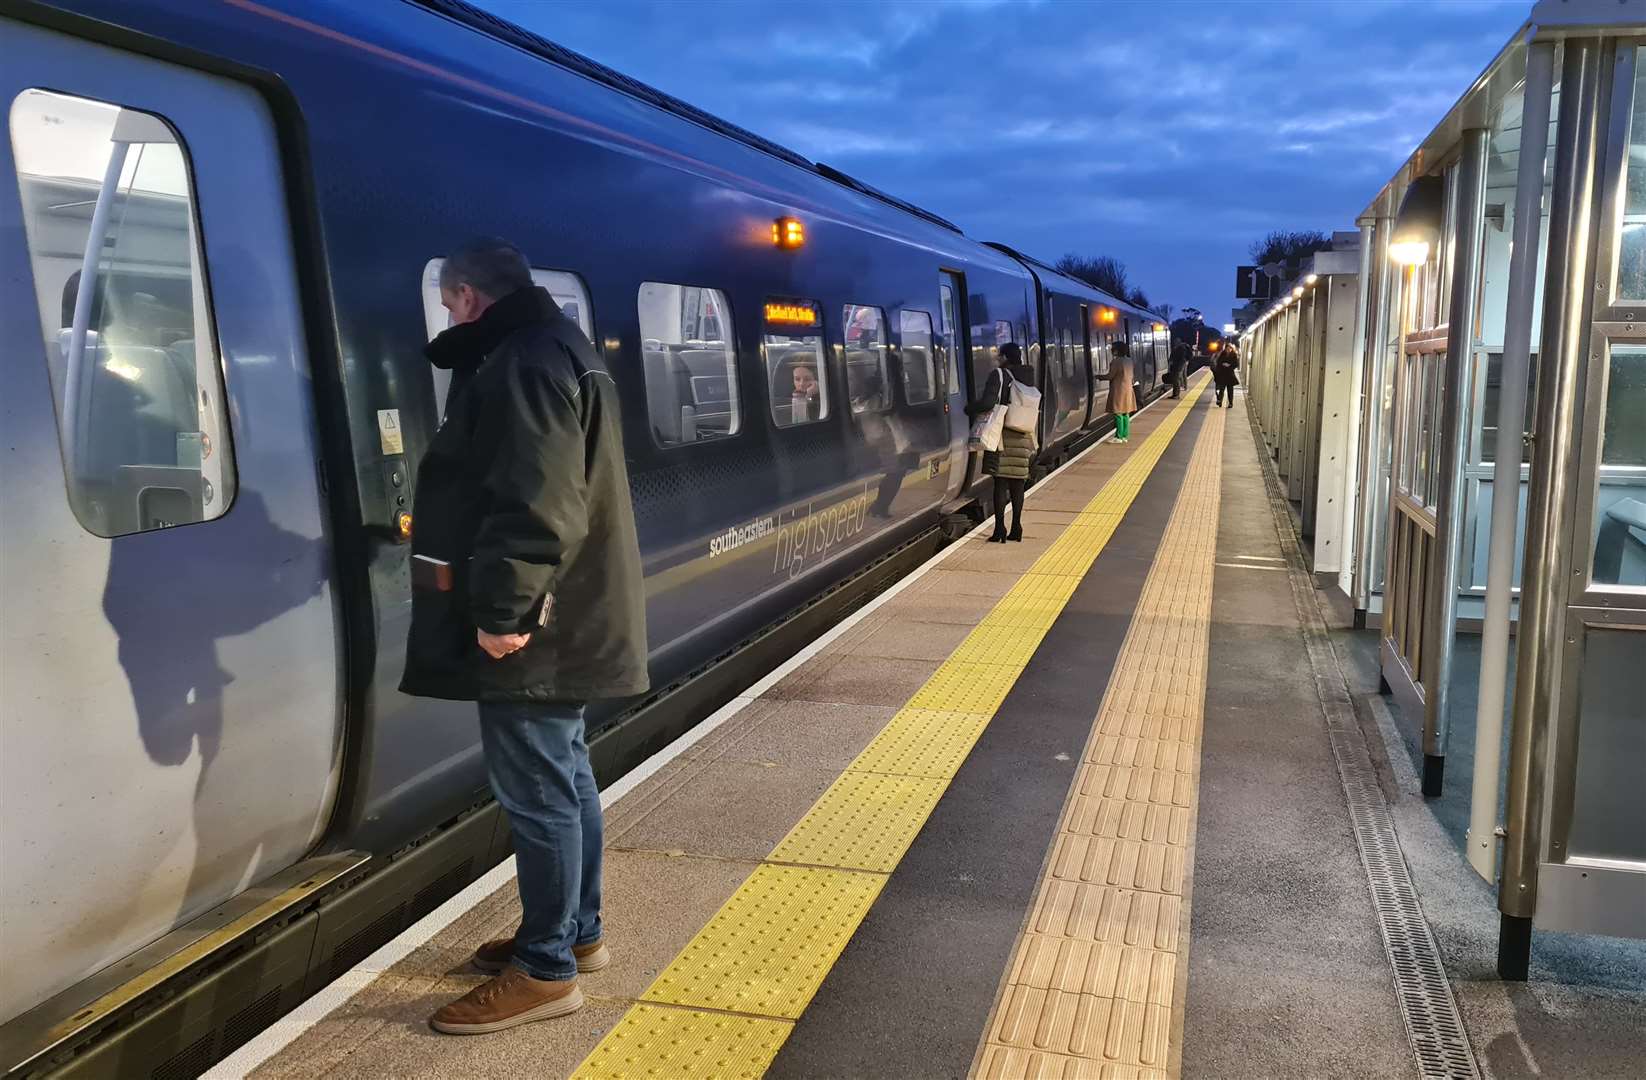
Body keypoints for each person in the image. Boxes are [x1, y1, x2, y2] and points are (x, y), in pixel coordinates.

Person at [402, 237, 649, 1034]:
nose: (447, 313)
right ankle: (576, 936)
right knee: (566, 775)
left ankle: (544, 971)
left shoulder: (522, 362)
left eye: (448, 302)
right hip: (569, 612)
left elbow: (540, 504)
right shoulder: (558, 349)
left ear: (469, 295)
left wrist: (503, 613)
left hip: (539, 622)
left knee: (538, 791)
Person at [967, 342, 1036, 542]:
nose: (998, 359)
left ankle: (999, 530)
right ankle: (1017, 527)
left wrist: (970, 409)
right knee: (1017, 483)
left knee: (1000, 483)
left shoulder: (999, 375)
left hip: (1001, 434)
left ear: (1005, 357)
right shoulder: (1028, 375)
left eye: (1000, 356)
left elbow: (989, 403)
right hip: (1022, 433)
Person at [1101, 338, 1138, 442]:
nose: (1111, 350)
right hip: (1128, 390)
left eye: (1113, 349)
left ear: (1117, 350)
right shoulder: (1129, 360)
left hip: (1118, 390)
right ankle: (1125, 436)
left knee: (1117, 413)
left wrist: (1098, 377)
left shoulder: (1116, 361)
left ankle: (1118, 437)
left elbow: (1110, 376)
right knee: (1126, 413)